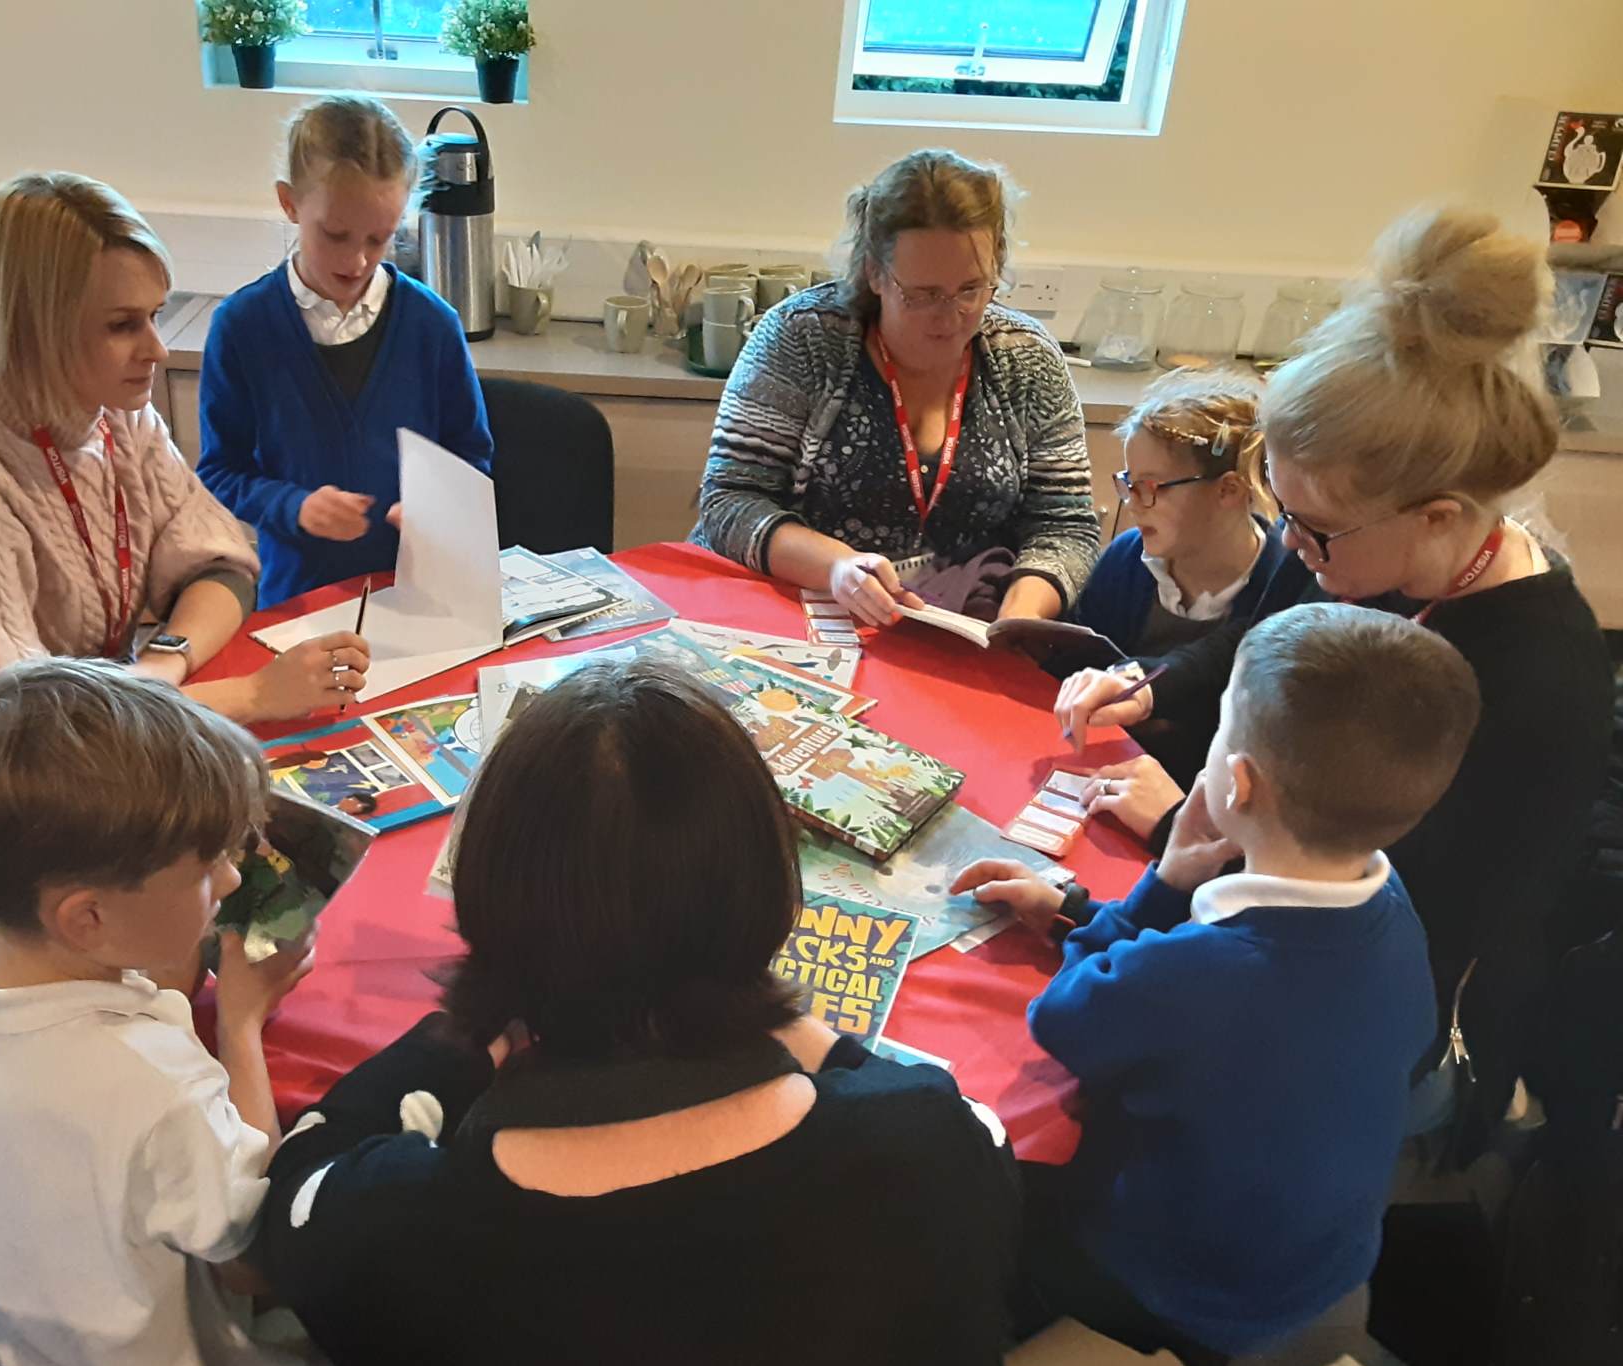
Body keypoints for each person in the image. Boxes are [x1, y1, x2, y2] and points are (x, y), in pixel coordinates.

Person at [246, 662, 1022, 1366]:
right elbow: (909, 1100)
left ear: (484, 906)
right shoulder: (936, 1144)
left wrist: (473, 1026)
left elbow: (298, 1175)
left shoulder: (384, 1228)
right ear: (774, 898)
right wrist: (762, 1004)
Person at [1051, 209, 1615, 1157]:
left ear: (1438, 517)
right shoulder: (1363, 549)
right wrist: (1155, 687)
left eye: (1313, 530)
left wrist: (1180, 823)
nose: (1293, 546)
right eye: (1284, 509)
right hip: (1270, 893)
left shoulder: (1534, 681)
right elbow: (1265, 633)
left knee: (1103, 1076)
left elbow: (1365, 898)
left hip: (1402, 1024)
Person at [0, 171, 370, 919]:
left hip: (91, 731)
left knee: (282, 838)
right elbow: (6, 748)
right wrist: (245, 696)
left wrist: (161, 669)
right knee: (245, 875)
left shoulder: (111, 409)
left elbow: (219, 565)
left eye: (154, 316)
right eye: (121, 326)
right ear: (37, 327)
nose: (156, 349)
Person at [963, 606, 1479, 1366]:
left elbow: (1064, 1015)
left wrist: (1161, 885)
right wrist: (1078, 909)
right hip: (1321, 1268)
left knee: (974, 1196)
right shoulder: (1394, 908)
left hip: (1183, 1298)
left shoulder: (1199, 976)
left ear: (1236, 783)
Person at [0, 658, 323, 1366]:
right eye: (206, 868)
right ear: (87, 920)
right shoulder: (150, 1082)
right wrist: (240, 1023)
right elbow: (250, 1252)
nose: (232, 881)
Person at [690, 149, 1100, 629]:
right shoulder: (802, 338)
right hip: (800, 611)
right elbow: (730, 501)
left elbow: (1065, 525)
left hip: (960, 626)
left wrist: (1017, 619)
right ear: (875, 274)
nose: (950, 316)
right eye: (923, 294)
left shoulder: (1026, 358)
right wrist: (837, 567)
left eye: (971, 289)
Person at [198, 93, 493, 608]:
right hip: (297, 603)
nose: (357, 261)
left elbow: (471, 458)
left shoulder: (432, 325)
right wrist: (293, 506)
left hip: (417, 597)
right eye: (335, 235)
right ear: (290, 203)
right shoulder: (242, 328)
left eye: (379, 239)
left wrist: (435, 508)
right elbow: (220, 472)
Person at [1072, 368, 1287, 655]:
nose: (1133, 503)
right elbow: (1075, 660)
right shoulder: (1125, 560)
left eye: (1150, 486)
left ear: (1229, 490)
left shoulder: (1282, 584)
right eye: (1129, 483)